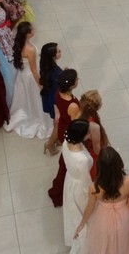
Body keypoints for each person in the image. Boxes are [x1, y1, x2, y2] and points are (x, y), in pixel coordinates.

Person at [73, 146, 129, 253]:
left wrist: (81, 224)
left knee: (104, 244)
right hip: (124, 218)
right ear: (119, 164)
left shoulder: (94, 187)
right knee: (126, 243)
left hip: (102, 220)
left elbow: (89, 208)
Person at [6, 23, 54, 139]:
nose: (34, 30)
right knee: (36, 97)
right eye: (32, 30)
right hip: (30, 76)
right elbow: (33, 70)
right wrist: (40, 84)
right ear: (28, 34)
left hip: (22, 74)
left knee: (24, 96)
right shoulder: (30, 49)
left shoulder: (18, 43)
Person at [48, 69, 81, 205]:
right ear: (72, 85)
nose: (78, 80)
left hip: (62, 126)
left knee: (65, 159)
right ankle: (61, 189)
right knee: (67, 163)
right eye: (77, 79)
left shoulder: (58, 92)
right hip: (69, 132)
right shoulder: (72, 105)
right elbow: (76, 125)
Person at [63, 119, 93, 248]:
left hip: (70, 179)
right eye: (88, 132)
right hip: (80, 187)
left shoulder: (66, 142)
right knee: (84, 213)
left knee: (74, 212)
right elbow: (86, 181)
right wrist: (91, 195)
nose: (90, 134)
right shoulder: (82, 160)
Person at [39, 42, 63, 153]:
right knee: (58, 124)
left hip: (49, 96)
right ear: (52, 56)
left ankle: (56, 140)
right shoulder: (55, 72)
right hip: (55, 102)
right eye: (58, 51)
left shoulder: (46, 66)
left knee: (56, 122)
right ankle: (49, 144)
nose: (60, 52)